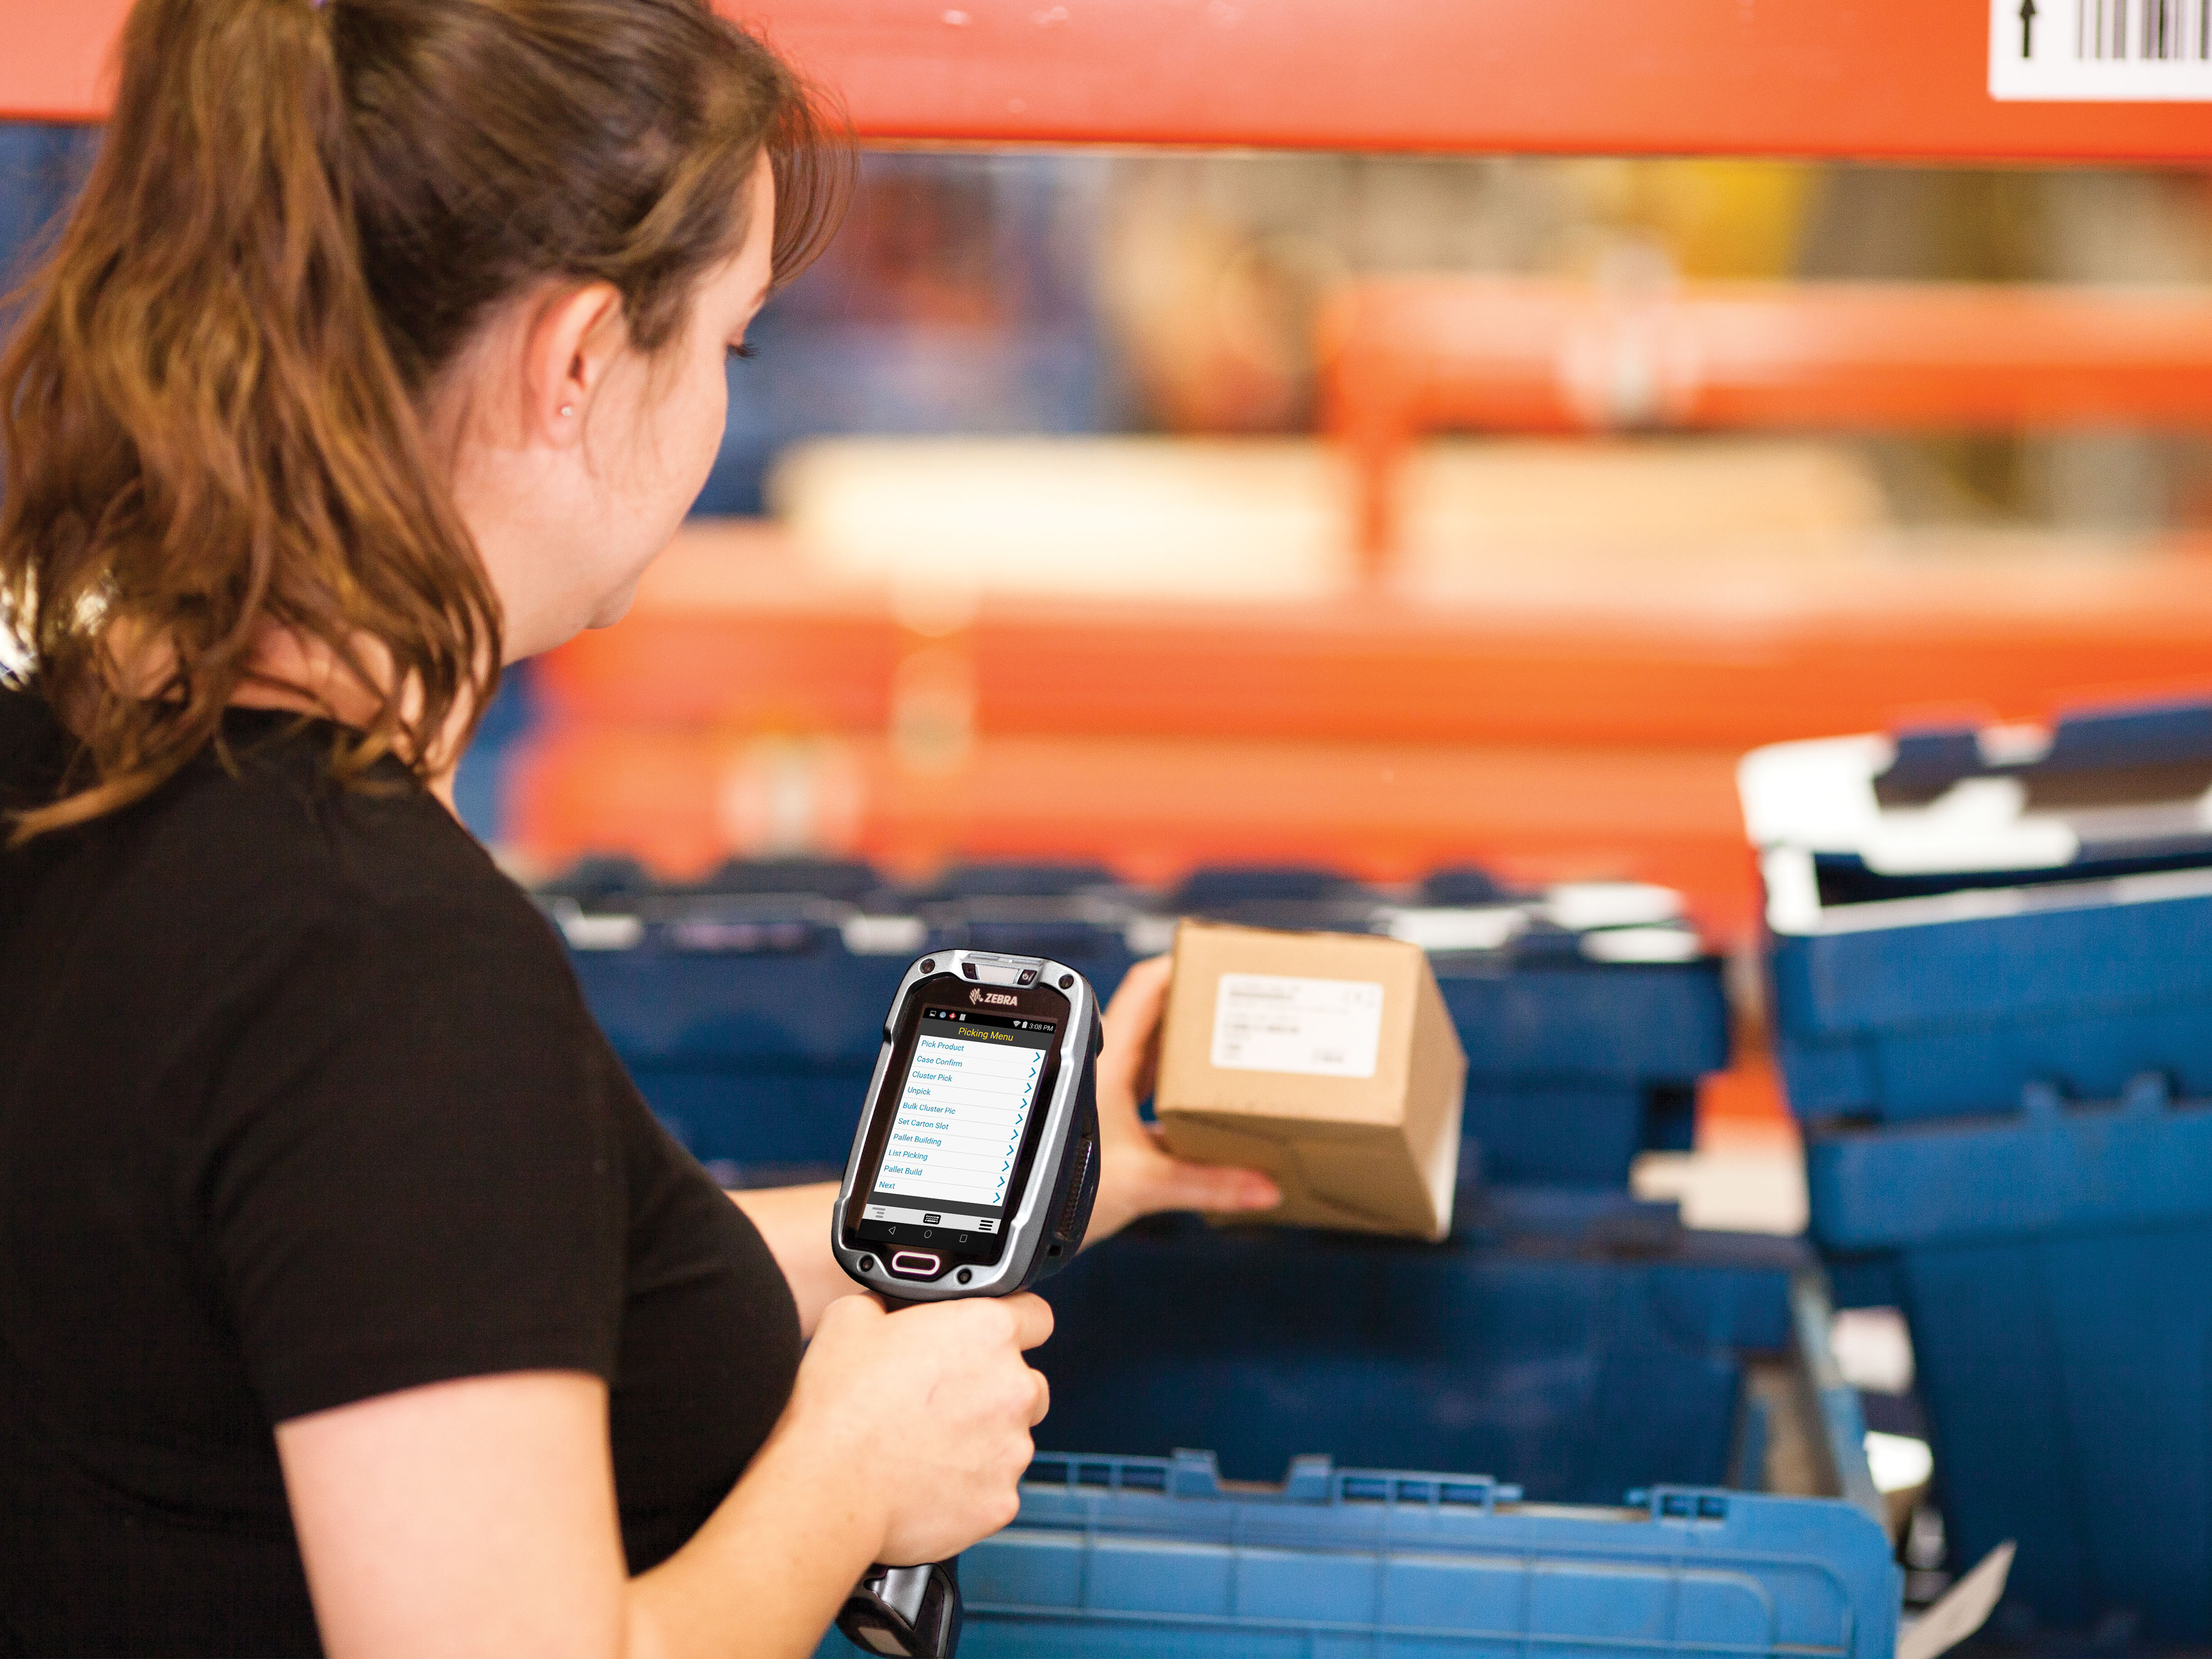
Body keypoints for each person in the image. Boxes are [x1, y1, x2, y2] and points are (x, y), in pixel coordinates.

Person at [0, 1, 1281, 1653]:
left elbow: (400, 1269)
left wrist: (1029, 1186)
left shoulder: (71, 761)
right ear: (580, 360)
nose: (725, 402)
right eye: (731, 343)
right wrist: (849, 1477)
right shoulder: (387, 963)